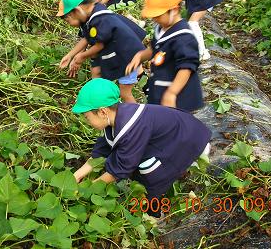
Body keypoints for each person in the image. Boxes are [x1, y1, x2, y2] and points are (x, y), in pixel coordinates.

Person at [71, 78, 212, 217]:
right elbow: (100, 153)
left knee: (151, 172)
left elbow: (120, 169)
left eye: (87, 116)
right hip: (175, 135)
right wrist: (76, 176)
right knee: (137, 163)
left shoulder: (132, 127)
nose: (86, 121)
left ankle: (156, 211)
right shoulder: (115, 116)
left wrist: (89, 188)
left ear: (102, 112)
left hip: (191, 142)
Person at [57, 0, 146, 103]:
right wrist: (70, 55)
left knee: (125, 92)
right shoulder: (89, 16)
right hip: (116, 51)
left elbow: (100, 44)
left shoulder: (100, 18)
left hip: (127, 56)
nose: (68, 23)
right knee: (97, 71)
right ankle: (101, 102)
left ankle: (135, 117)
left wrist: (82, 56)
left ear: (77, 10)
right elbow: (86, 39)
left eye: (68, 19)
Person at [126, 0, 203, 112]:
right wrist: (140, 56)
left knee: (176, 127)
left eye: (158, 15)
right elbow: (153, 49)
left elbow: (186, 67)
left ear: (174, 10)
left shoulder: (183, 37)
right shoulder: (161, 28)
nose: (155, 19)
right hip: (160, 90)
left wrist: (172, 92)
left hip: (178, 98)